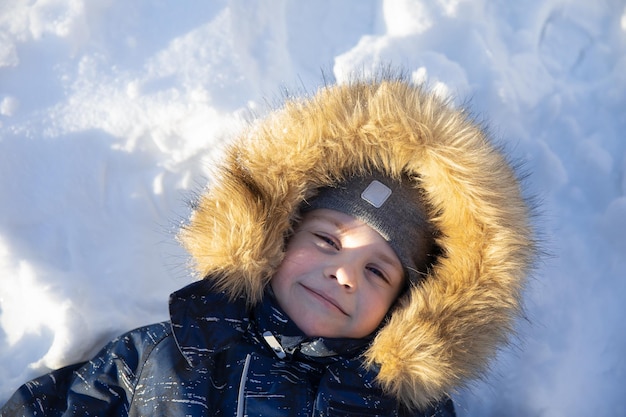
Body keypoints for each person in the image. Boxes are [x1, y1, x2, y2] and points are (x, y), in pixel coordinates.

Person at [0, 73, 537, 416]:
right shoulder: (166, 353)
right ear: (276, 240)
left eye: (377, 272)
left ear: (403, 309)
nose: (344, 273)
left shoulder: (396, 408)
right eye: (327, 239)